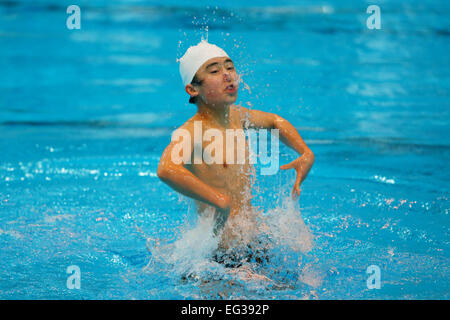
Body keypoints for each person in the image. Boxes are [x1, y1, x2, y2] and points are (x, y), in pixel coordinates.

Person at [157, 40, 315, 252]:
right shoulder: (193, 131)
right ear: (192, 89)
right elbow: (166, 169)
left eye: (230, 67)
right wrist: (219, 201)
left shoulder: (236, 116)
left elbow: (274, 122)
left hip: (250, 241)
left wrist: (305, 152)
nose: (228, 75)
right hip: (220, 253)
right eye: (214, 71)